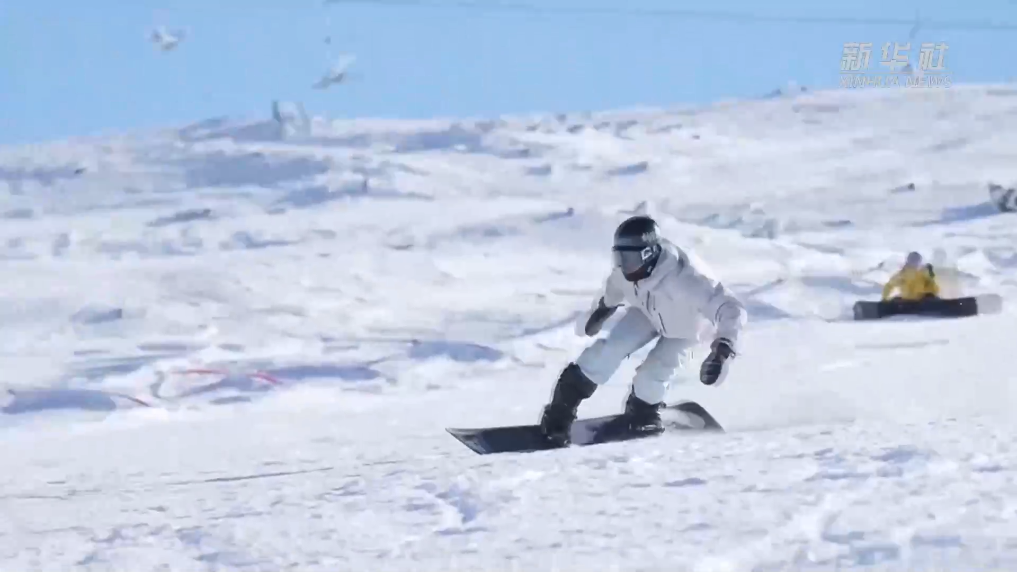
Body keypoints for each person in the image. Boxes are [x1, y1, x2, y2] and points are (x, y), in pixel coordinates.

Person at [538, 215, 748, 446]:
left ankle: (643, 413)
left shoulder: (688, 280)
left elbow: (732, 309)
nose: (623, 265)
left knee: (655, 371)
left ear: (649, 254)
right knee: (608, 351)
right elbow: (614, 289)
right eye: (620, 257)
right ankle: (560, 411)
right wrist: (602, 311)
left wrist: (723, 351)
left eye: (629, 258)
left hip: (690, 326)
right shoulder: (626, 273)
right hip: (648, 311)